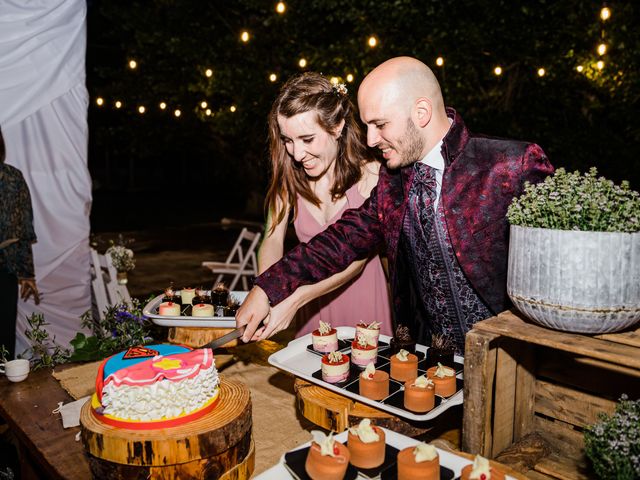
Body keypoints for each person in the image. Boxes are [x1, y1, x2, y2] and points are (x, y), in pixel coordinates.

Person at [237, 57, 554, 353]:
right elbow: (338, 242)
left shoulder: (511, 165)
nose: (371, 139)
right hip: (431, 367)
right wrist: (267, 288)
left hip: (511, 360)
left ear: (421, 113)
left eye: (380, 124)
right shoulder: (394, 183)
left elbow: (554, 279)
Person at [257, 72, 393, 338]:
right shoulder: (288, 183)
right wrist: (267, 292)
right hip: (312, 318)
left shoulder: (373, 175)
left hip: (364, 311)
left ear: (337, 127)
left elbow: (357, 260)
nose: (296, 154)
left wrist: (296, 297)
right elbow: (271, 242)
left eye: (307, 139)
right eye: (288, 140)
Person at [0, 126, 40, 359]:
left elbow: (24, 229)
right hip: (7, 267)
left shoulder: (13, 178)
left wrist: (26, 274)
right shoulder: (13, 177)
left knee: (4, 333)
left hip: (6, 268)